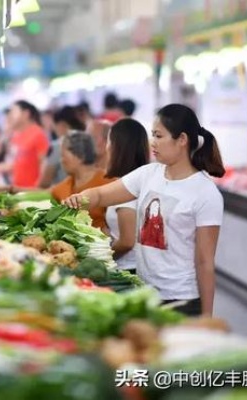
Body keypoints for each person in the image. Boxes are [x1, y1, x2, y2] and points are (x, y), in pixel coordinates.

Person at [64, 104, 225, 317]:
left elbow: (205, 262)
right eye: (152, 135)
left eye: (159, 136)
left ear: (182, 139)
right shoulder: (149, 174)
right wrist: (80, 199)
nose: (152, 143)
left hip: (182, 299)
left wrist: (207, 316)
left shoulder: (205, 193)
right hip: (145, 291)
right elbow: (102, 195)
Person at [104, 118, 150, 272]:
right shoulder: (140, 180)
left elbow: (127, 241)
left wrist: (101, 257)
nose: (107, 147)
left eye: (109, 141)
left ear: (118, 147)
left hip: (128, 269)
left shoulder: (127, 188)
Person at [51, 132, 115, 230]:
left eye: (63, 155)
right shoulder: (59, 190)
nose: (61, 161)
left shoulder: (110, 185)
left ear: (80, 156)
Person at [0, 100, 50, 188]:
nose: (10, 116)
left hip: (30, 192)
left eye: (14, 112)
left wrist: (37, 190)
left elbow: (45, 168)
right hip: (17, 188)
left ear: (26, 114)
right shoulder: (18, 136)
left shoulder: (38, 135)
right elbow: (16, 164)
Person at [40, 106, 86, 189]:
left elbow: (45, 182)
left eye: (54, 126)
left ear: (61, 124)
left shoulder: (57, 146)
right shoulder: (88, 142)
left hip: (62, 195)